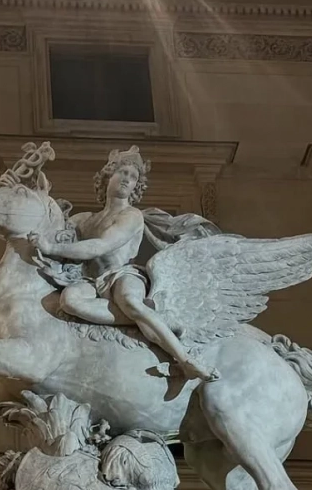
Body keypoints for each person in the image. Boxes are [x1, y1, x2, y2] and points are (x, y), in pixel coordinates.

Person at [28, 147, 217, 382]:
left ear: (137, 187)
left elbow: (101, 246)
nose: (127, 179)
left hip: (122, 274)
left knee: (129, 300)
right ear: (108, 177)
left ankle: (185, 359)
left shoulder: (131, 215)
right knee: (69, 301)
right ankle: (153, 319)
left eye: (133, 177)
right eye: (123, 172)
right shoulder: (83, 220)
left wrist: (51, 248)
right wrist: (34, 194)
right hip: (90, 281)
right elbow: (48, 226)